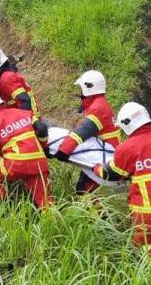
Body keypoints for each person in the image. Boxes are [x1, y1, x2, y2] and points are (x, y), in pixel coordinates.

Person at [93, 102, 151, 251]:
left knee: (146, 249)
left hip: (146, 215)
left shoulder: (128, 148)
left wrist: (96, 168)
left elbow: (110, 174)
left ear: (127, 124)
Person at [56, 70, 122, 194]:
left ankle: (98, 213)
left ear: (88, 88)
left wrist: (63, 150)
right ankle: (96, 212)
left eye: (81, 88)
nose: (80, 92)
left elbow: (82, 132)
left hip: (105, 155)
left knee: (84, 191)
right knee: (84, 190)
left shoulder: (98, 108)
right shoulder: (98, 103)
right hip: (103, 151)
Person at [0, 40, 39, 115]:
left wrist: (31, 121)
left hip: (25, 122)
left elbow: (25, 100)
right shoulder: (3, 77)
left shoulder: (7, 78)